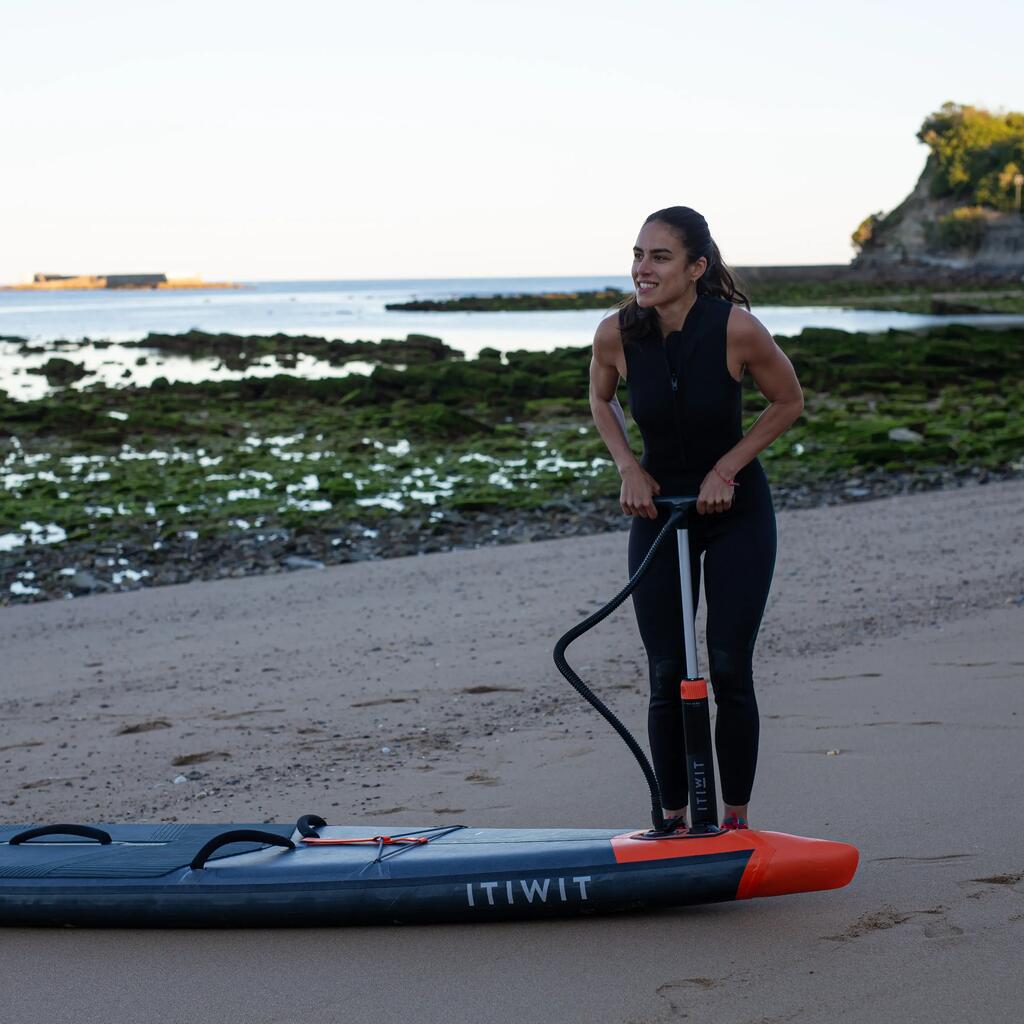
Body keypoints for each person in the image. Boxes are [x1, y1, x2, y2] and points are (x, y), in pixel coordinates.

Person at [588, 206, 804, 831]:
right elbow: (601, 399)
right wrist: (628, 465)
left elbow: (787, 400)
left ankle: (735, 820)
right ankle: (673, 819)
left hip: (736, 511)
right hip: (658, 511)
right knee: (665, 672)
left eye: (659, 257)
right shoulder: (616, 334)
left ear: (696, 267)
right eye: (637, 255)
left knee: (729, 664)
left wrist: (727, 468)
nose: (642, 269)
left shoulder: (737, 329)